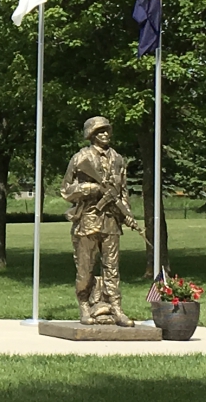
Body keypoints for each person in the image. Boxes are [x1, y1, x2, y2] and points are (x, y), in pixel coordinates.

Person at [60, 116, 137, 327]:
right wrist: (90, 189)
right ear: (91, 134)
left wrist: (127, 214)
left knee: (112, 268)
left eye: (106, 131)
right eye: (100, 131)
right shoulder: (80, 158)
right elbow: (66, 190)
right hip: (87, 220)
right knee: (85, 268)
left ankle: (116, 307)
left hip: (111, 220)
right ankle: (84, 305)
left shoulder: (118, 159)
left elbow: (123, 192)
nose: (105, 134)